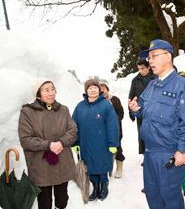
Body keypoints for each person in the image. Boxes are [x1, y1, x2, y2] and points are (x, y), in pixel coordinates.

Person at [128, 39, 185, 209]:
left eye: (153, 56)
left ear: (168, 57)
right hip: (150, 153)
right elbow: (141, 108)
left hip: (169, 154)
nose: (149, 61)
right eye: (149, 58)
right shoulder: (152, 85)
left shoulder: (182, 86)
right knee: (153, 196)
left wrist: (182, 150)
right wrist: (135, 109)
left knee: (171, 198)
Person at [18, 78, 77, 209]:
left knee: (62, 199)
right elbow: (26, 139)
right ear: (38, 94)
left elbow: (73, 130)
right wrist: (49, 145)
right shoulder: (28, 112)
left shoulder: (63, 110)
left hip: (62, 163)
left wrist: (61, 142)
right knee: (44, 202)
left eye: (53, 89)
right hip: (41, 166)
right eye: (46, 90)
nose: (51, 93)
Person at [72, 79, 119, 201]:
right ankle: (95, 188)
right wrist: (75, 143)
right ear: (86, 91)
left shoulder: (106, 105)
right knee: (90, 166)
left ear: (100, 90)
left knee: (102, 165)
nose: (93, 89)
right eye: (90, 87)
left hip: (102, 143)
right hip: (85, 143)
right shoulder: (80, 107)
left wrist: (112, 143)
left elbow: (112, 125)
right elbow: (73, 125)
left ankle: (104, 186)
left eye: (95, 87)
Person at [128, 58, 156, 157]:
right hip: (140, 111)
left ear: (148, 67)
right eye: (139, 69)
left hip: (154, 110)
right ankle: (145, 155)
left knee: (154, 133)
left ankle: (154, 153)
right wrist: (131, 112)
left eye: (143, 68)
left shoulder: (155, 77)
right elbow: (131, 96)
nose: (141, 71)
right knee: (142, 133)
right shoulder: (135, 80)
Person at [100, 82, 125, 178]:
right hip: (102, 130)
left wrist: (113, 120)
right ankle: (108, 168)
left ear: (107, 90)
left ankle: (119, 167)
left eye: (104, 89)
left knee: (117, 147)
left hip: (115, 130)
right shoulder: (98, 101)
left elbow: (121, 113)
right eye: (100, 89)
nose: (103, 91)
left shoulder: (115, 100)